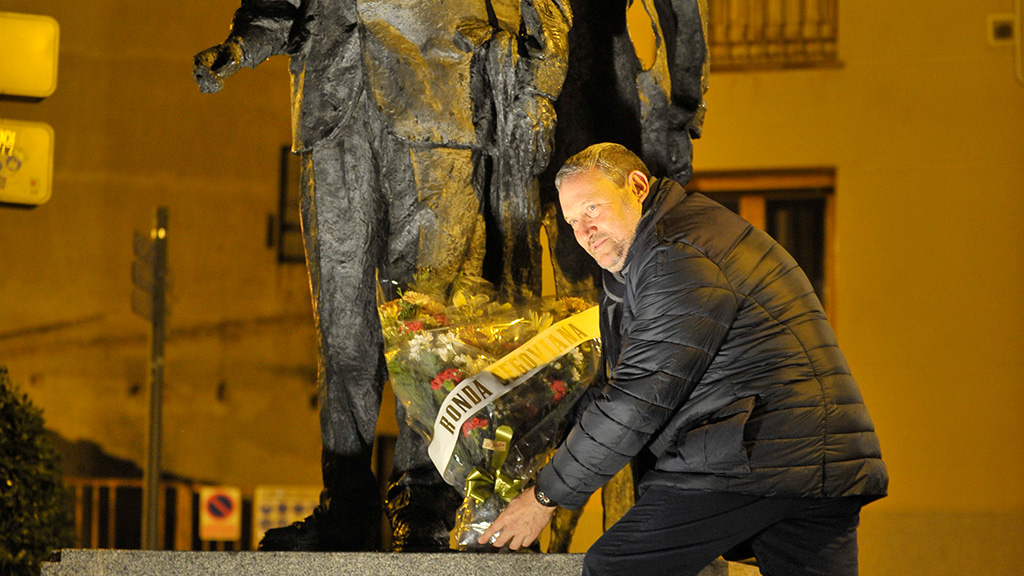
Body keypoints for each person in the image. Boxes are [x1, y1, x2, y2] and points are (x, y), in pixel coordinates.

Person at [193, 0, 571, 551]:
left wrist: (540, 85)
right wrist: (243, 44)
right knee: (342, 328)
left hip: (440, 93)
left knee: (430, 319)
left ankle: (424, 499)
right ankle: (345, 500)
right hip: (331, 106)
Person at [480, 142, 888, 576]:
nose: (584, 232)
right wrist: (533, 422)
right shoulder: (673, 243)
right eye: (573, 222)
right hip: (814, 458)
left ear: (637, 186)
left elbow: (639, 396)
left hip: (753, 456)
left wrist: (547, 496)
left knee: (616, 567)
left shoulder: (676, 255)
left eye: (593, 208)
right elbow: (633, 379)